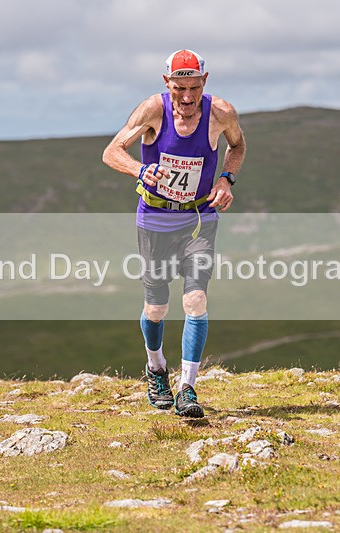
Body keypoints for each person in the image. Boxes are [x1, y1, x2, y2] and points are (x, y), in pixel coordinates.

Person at [102, 49, 246, 417]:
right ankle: (156, 368)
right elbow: (112, 151)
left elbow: (237, 145)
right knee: (157, 307)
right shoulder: (153, 109)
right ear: (167, 83)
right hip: (155, 218)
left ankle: (187, 389)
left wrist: (226, 179)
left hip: (199, 217)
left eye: (194, 88)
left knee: (195, 299)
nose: (187, 97)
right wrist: (139, 169)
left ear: (205, 81)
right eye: (179, 88)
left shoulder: (221, 112)